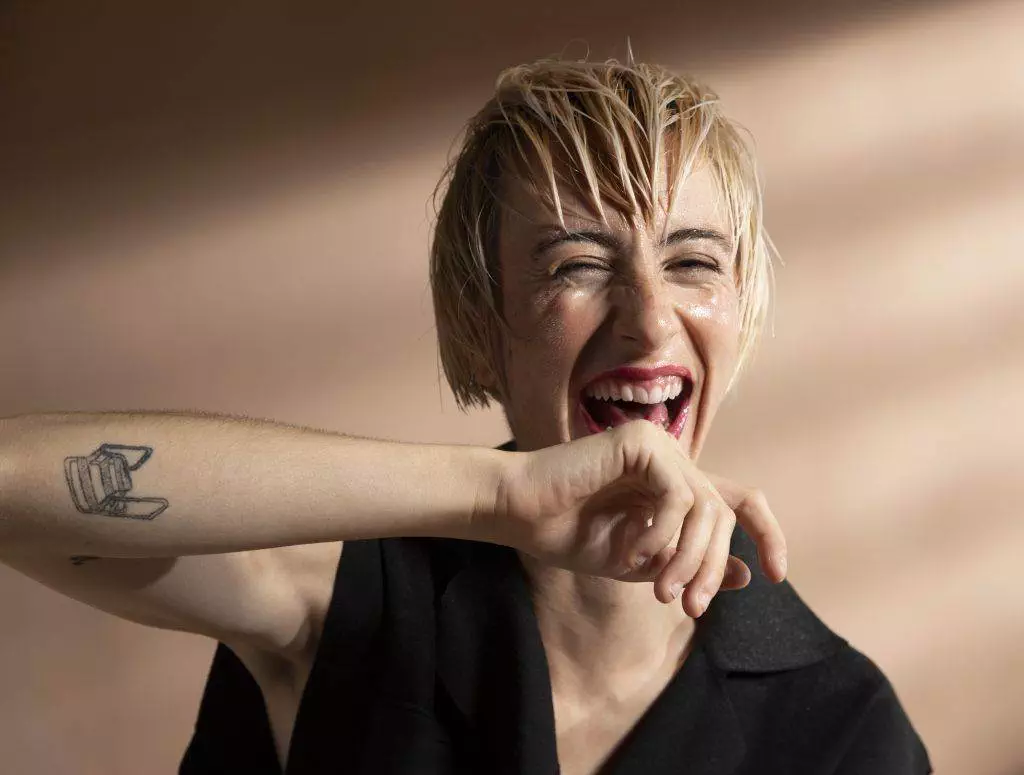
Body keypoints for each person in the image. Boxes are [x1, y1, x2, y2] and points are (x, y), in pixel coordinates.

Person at [0, 56, 931, 774]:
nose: (649, 319)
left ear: (742, 310)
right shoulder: (346, 607)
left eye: (692, 261)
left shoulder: (845, 730)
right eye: (576, 264)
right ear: (482, 328)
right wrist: (496, 492)